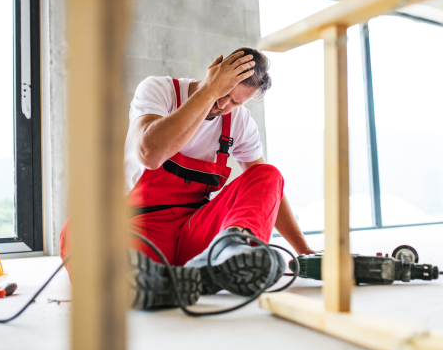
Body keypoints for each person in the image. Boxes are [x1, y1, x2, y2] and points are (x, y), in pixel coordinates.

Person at [60, 48, 314, 309]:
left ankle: (228, 252)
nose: (224, 105)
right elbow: (150, 154)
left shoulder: (239, 122)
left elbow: (267, 190)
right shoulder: (159, 91)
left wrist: (305, 252)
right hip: (140, 230)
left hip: (196, 232)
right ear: (214, 69)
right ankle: (141, 280)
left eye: (236, 102)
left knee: (267, 173)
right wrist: (209, 92)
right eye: (225, 92)